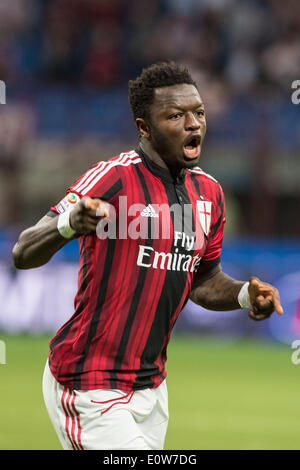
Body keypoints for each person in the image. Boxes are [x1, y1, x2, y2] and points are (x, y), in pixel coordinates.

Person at [12, 62, 283, 451]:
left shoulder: (210, 194)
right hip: (89, 381)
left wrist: (244, 295)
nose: (193, 124)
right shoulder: (112, 178)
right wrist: (71, 221)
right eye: (176, 116)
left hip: (152, 388)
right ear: (144, 128)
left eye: (199, 113)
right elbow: (23, 252)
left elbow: (203, 281)